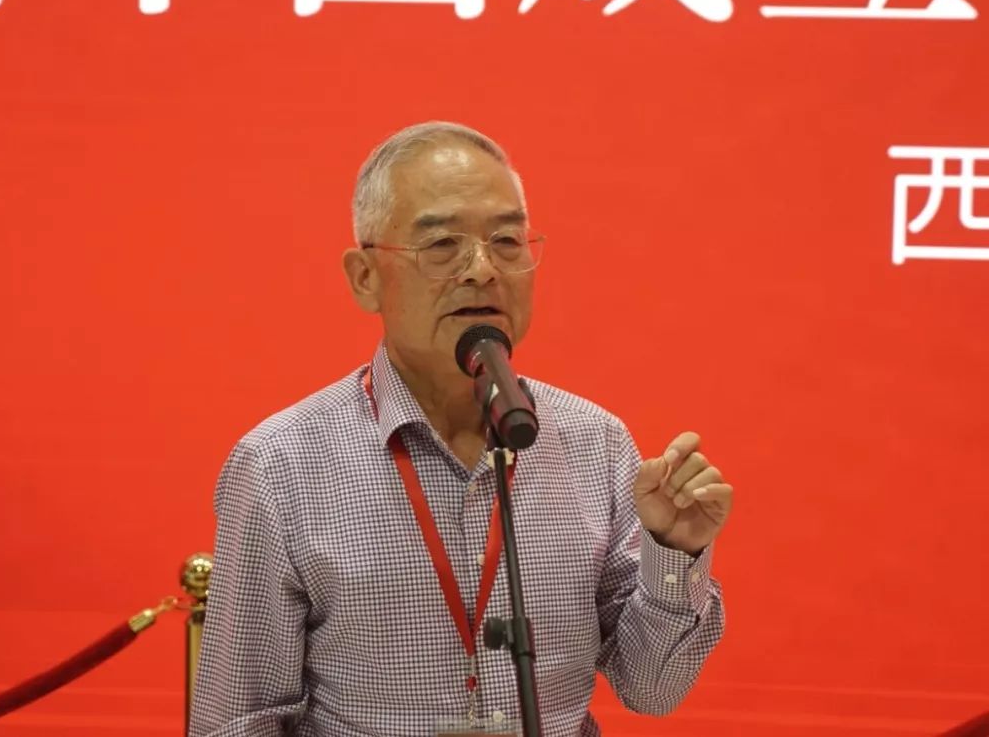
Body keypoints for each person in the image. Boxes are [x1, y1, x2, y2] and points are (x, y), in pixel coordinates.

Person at [189, 121, 733, 737]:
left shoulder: (594, 442)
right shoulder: (281, 464)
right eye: (442, 244)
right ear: (365, 277)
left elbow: (652, 687)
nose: (482, 269)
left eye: (507, 241)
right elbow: (239, 721)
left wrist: (675, 551)